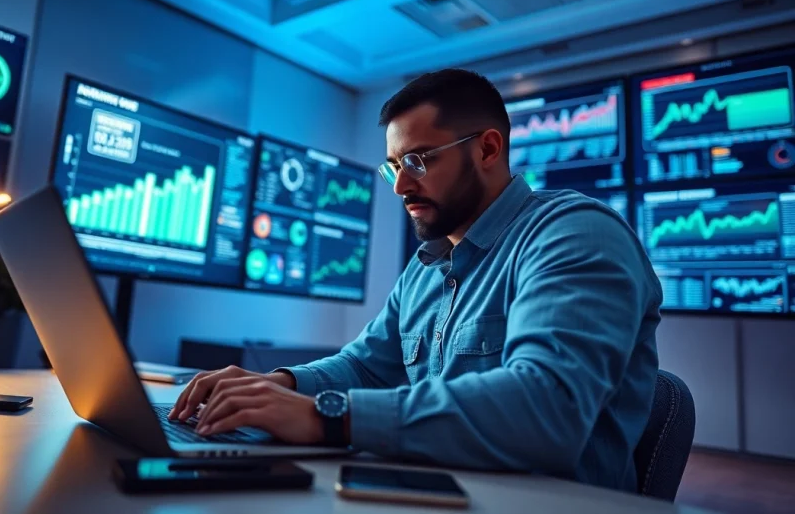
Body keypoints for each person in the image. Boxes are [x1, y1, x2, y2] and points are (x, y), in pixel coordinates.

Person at [169, 69, 662, 492]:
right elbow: (364, 368)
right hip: (445, 490)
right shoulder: (427, 267)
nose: (401, 185)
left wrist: (327, 415)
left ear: (488, 149)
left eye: (418, 161)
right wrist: (279, 386)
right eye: (394, 167)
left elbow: (548, 408)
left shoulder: (574, 233)